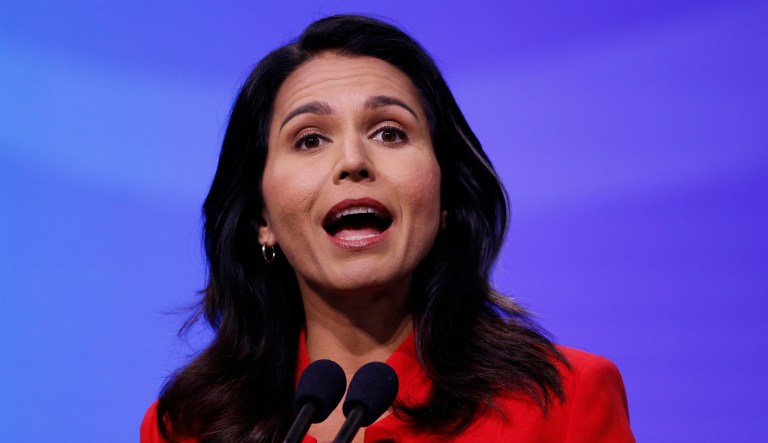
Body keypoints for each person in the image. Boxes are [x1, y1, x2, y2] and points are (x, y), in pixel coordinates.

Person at [141, 14, 635, 443]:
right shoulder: (189, 425)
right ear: (261, 219)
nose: (353, 161)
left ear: (445, 200)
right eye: (310, 140)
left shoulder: (563, 402)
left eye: (390, 132)